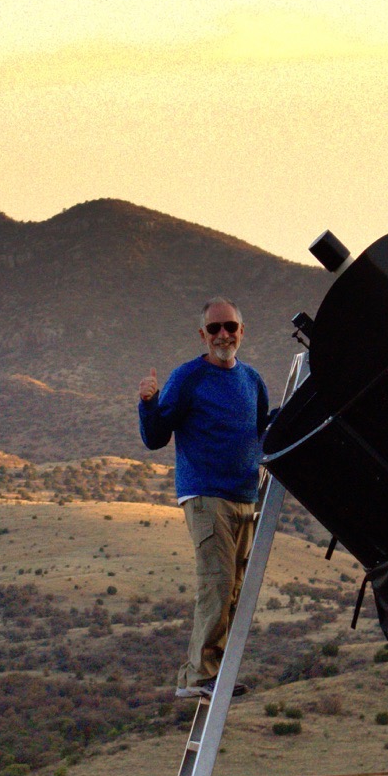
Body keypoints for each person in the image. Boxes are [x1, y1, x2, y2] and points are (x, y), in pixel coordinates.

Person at [138, 298, 273, 697]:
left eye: (229, 326)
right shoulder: (188, 377)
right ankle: (200, 676)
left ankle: (209, 673)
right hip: (205, 495)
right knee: (217, 584)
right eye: (214, 329)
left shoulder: (252, 381)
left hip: (245, 497)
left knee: (234, 590)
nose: (222, 335)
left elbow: (263, 433)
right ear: (203, 335)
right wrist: (147, 403)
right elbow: (155, 437)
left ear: (241, 331)